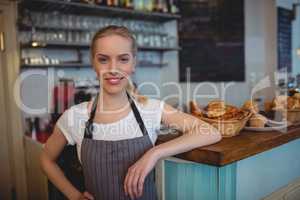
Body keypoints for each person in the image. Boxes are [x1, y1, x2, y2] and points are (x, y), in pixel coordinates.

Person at [40, 25, 221, 200]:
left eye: (123, 59)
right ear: (93, 63)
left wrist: (154, 153)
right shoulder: (74, 117)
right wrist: (74, 196)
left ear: (133, 63)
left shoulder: (151, 109)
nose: (113, 68)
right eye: (103, 59)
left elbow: (210, 132)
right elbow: (46, 160)